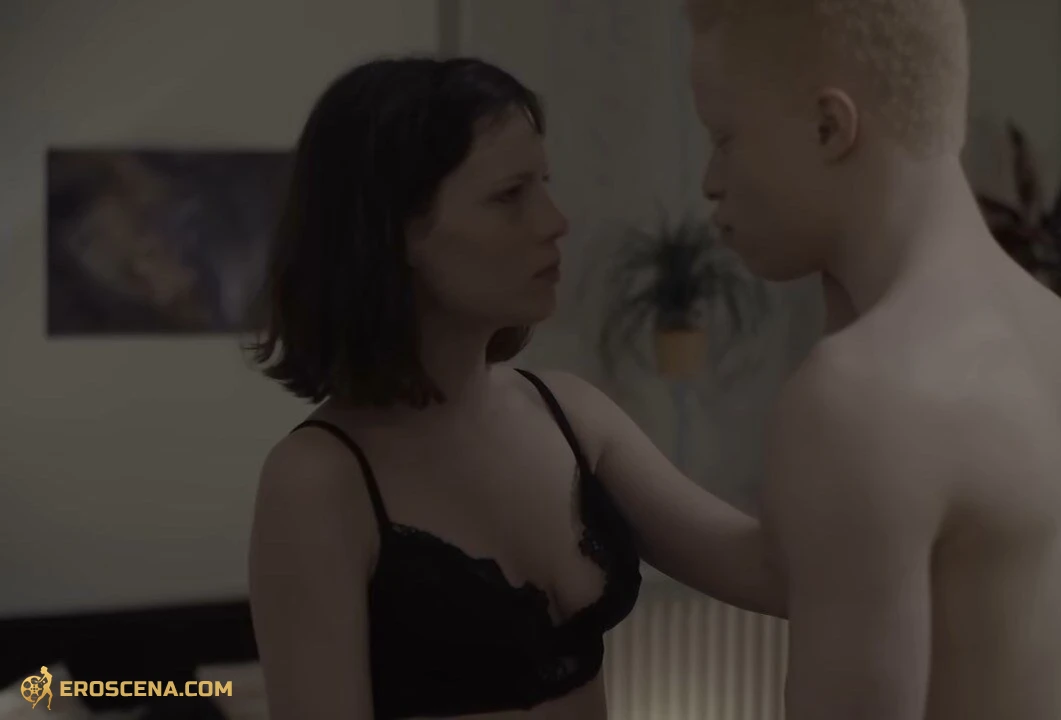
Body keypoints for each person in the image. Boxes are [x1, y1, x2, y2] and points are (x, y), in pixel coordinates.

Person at [246, 56, 784, 720]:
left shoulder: (570, 414)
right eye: (510, 195)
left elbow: (765, 571)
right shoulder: (319, 482)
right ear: (395, 230)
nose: (555, 221)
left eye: (544, 184)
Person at [683, 1, 1061, 719]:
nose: (710, 180)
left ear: (829, 127)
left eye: (723, 138)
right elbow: (797, 565)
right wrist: (604, 447)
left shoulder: (864, 395)